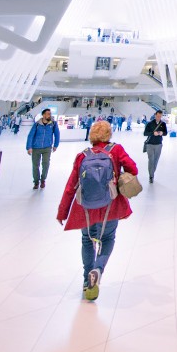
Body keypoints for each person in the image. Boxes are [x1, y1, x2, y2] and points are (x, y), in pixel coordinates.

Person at [57, 121, 138, 301]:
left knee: (87, 239)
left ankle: (87, 280)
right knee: (108, 238)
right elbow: (133, 168)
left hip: (86, 208)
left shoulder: (82, 156)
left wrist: (62, 211)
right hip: (110, 205)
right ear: (109, 134)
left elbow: (71, 186)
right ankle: (98, 269)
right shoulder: (116, 151)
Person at [26, 109, 60, 190]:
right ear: (43, 115)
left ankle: (43, 179)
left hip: (47, 147)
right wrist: (29, 147)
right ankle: (36, 182)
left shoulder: (53, 124)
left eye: (50, 114)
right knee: (35, 165)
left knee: (46, 164)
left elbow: (57, 134)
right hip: (36, 148)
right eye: (48, 114)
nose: (50, 115)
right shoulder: (37, 124)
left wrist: (55, 145)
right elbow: (30, 135)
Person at [142, 110, 167, 182]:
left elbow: (165, 133)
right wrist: (153, 133)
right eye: (158, 116)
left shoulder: (163, 124)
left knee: (155, 161)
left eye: (160, 116)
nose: (159, 117)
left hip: (159, 144)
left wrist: (162, 133)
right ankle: (151, 176)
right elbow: (145, 133)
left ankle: (152, 173)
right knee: (151, 160)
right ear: (155, 115)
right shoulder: (149, 123)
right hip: (150, 144)